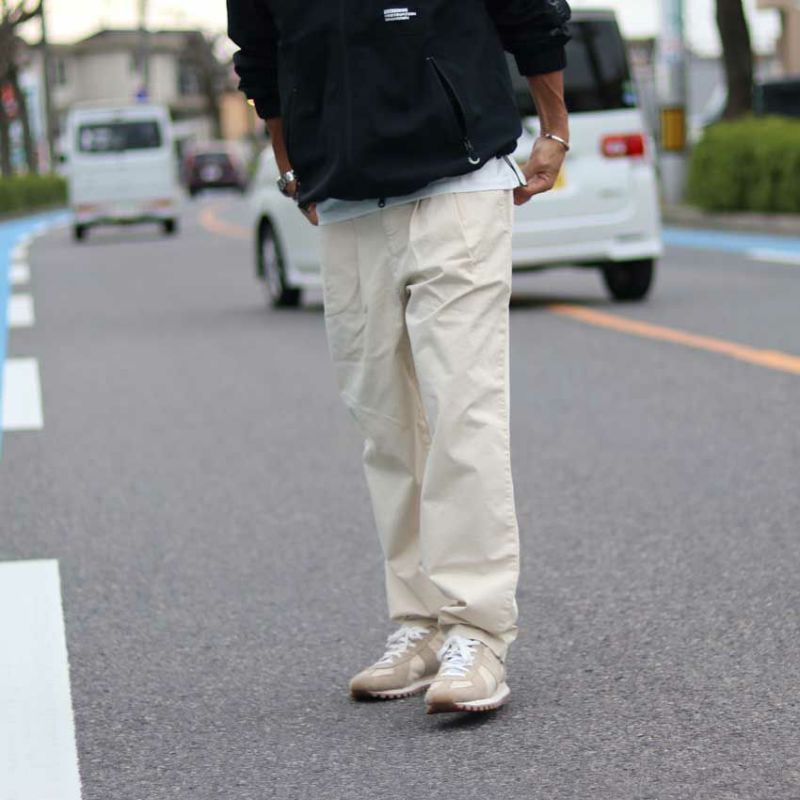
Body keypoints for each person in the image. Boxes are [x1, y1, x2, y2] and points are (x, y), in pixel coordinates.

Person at [227, 0, 571, 714]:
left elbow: (529, 10)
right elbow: (260, 54)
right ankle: (420, 622)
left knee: (462, 407)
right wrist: (291, 169)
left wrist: (554, 128)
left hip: (459, 182)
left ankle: (477, 630)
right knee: (384, 426)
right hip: (347, 201)